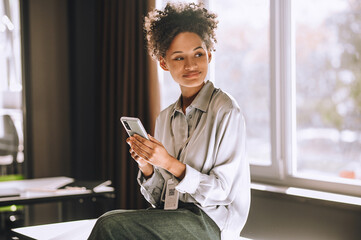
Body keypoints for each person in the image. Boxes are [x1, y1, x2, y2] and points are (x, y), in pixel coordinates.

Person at [88, 2, 250, 240]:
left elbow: (223, 192)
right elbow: (160, 199)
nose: (191, 65)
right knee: (114, 225)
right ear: (164, 63)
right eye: (179, 58)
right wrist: (148, 166)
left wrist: (169, 162)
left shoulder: (226, 110)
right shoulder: (165, 117)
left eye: (198, 54)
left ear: (209, 55)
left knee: (110, 225)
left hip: (211, 222)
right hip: (174, 214)